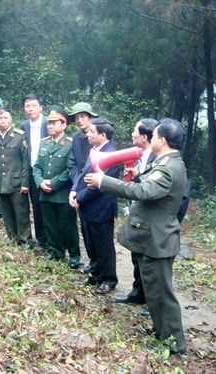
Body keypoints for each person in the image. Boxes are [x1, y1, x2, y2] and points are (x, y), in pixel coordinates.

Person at [84, 118, 188, 354]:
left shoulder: (169, 167)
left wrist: (105, 181)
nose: (152, 139)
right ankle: (162, 332)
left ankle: (175, 343)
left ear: (161, 140)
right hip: (151, 237)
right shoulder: (164, 161)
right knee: (153, 289)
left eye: (155, 136)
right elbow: (146, 183)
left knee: (162, 293)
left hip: (158, 239)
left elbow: (144, 191)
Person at [70, 117, 120, 294]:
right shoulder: (94, 150)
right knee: (90, 242)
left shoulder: (111, 155)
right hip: (86, 205)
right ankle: (95, 274)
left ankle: (109, 279)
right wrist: (74, 190)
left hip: (100, 208)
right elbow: (82, 173)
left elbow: (98, 186)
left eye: (92, 132)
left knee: (103, 244)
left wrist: (80, 197)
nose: (87, 134)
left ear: (103, 135)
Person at [114, 119, 158, 305]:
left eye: (135, 130)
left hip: (152, 220)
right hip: (138, 215)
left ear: (145, 136)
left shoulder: (158, 159)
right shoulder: (141, 156)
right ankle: (137, 294)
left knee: (152, 264)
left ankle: (153, 302)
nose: (132, 134)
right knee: (136, 256)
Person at [33, 108, 80, 268]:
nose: (50, 126)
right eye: (49, 123)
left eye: (54, 123)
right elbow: (37, 166)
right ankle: (56, 251)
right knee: (49, 224)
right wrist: (40, 182)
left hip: (62, 193)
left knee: (67, 225)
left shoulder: (70, 144)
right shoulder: (43, 143)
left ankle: (74, 254)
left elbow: (71, 169)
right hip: (44, 192)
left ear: (64, 124)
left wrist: (53, 183)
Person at [0, 107, 32, 249]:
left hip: (17, 181)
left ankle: (25, 240)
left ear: (11, 119)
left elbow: (25, 161)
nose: (2, 121)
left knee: (21, 213)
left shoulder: (19, 135)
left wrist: (25, 182)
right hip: (1, 181)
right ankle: (12, 238)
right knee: (6, 213)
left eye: (5, 117)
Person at [67, 102, 99, 273]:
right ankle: (92, 263)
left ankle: (102, 268)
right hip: (80, 188)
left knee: (97, 232)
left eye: (83, 117)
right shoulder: (76, 138)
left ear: (90, 117)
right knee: (85, 228)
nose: (79, 120)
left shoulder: (101, 135)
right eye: (76, 118)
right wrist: (77, 185)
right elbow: (72, 164)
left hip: (96, 190)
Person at [20, 93, 48, 249]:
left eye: (33, 105)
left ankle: (55, 239)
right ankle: (42, 240)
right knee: (36, 205)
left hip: (48, 171)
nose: (30, 109)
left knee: (49, 206)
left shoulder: (49, 123)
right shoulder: (24, 126)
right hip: (31, 170)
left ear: (41, 107)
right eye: (27, 106)